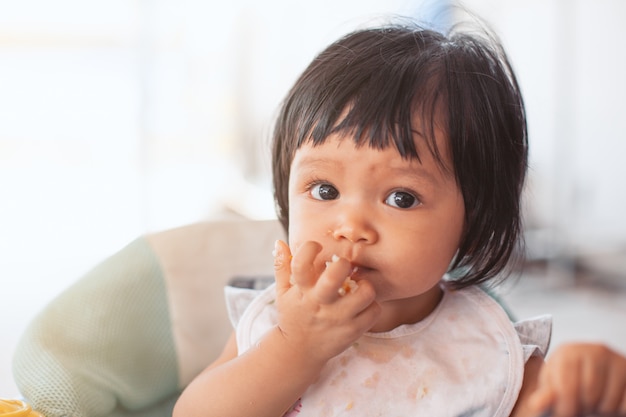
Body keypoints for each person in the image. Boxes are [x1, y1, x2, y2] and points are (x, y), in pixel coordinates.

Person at [174, 21, 626, 417]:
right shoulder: (275, 321)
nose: (350, 227)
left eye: (402, 197)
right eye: (325, 190)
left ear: (474, 223)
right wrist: (295, 348)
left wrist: (583, 392)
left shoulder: (488, 350)